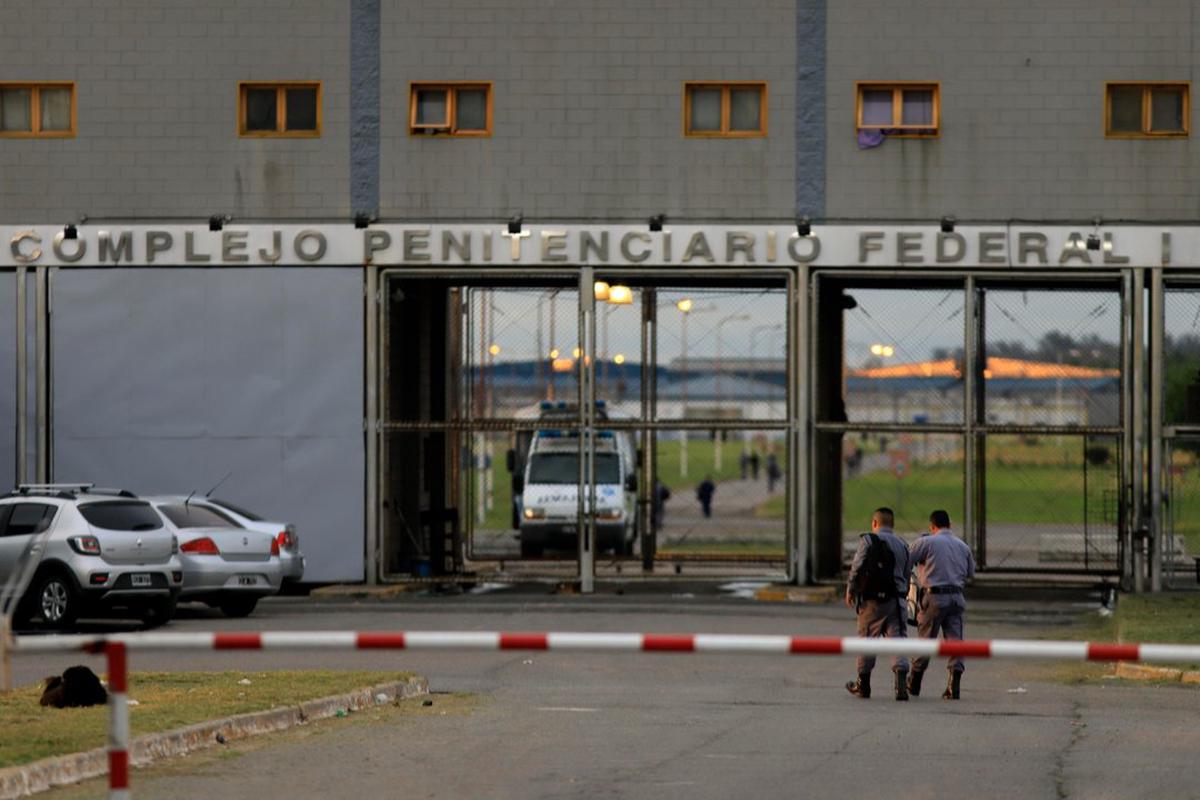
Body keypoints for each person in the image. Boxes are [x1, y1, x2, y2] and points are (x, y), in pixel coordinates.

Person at [906, 509, 976, 700]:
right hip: (956, 597)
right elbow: (971, 573)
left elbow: (907, 561)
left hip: (934, 597)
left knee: (926, 640)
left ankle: (915, 681)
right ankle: (954, 686)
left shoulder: (926, 542)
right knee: (956, 641)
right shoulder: (963, 546)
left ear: (932, 526)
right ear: (949, 525)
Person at [845, 507, 912, 701]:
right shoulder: (903, 544)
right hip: (897, 600)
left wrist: (851, 589)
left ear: (875, 523)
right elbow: (907, 573)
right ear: (892, 524)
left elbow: (857, 566)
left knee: (867, 639)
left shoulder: (868, 540)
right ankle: (900, 684)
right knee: (898, 639)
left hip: (872, 602)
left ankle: (863, 684)